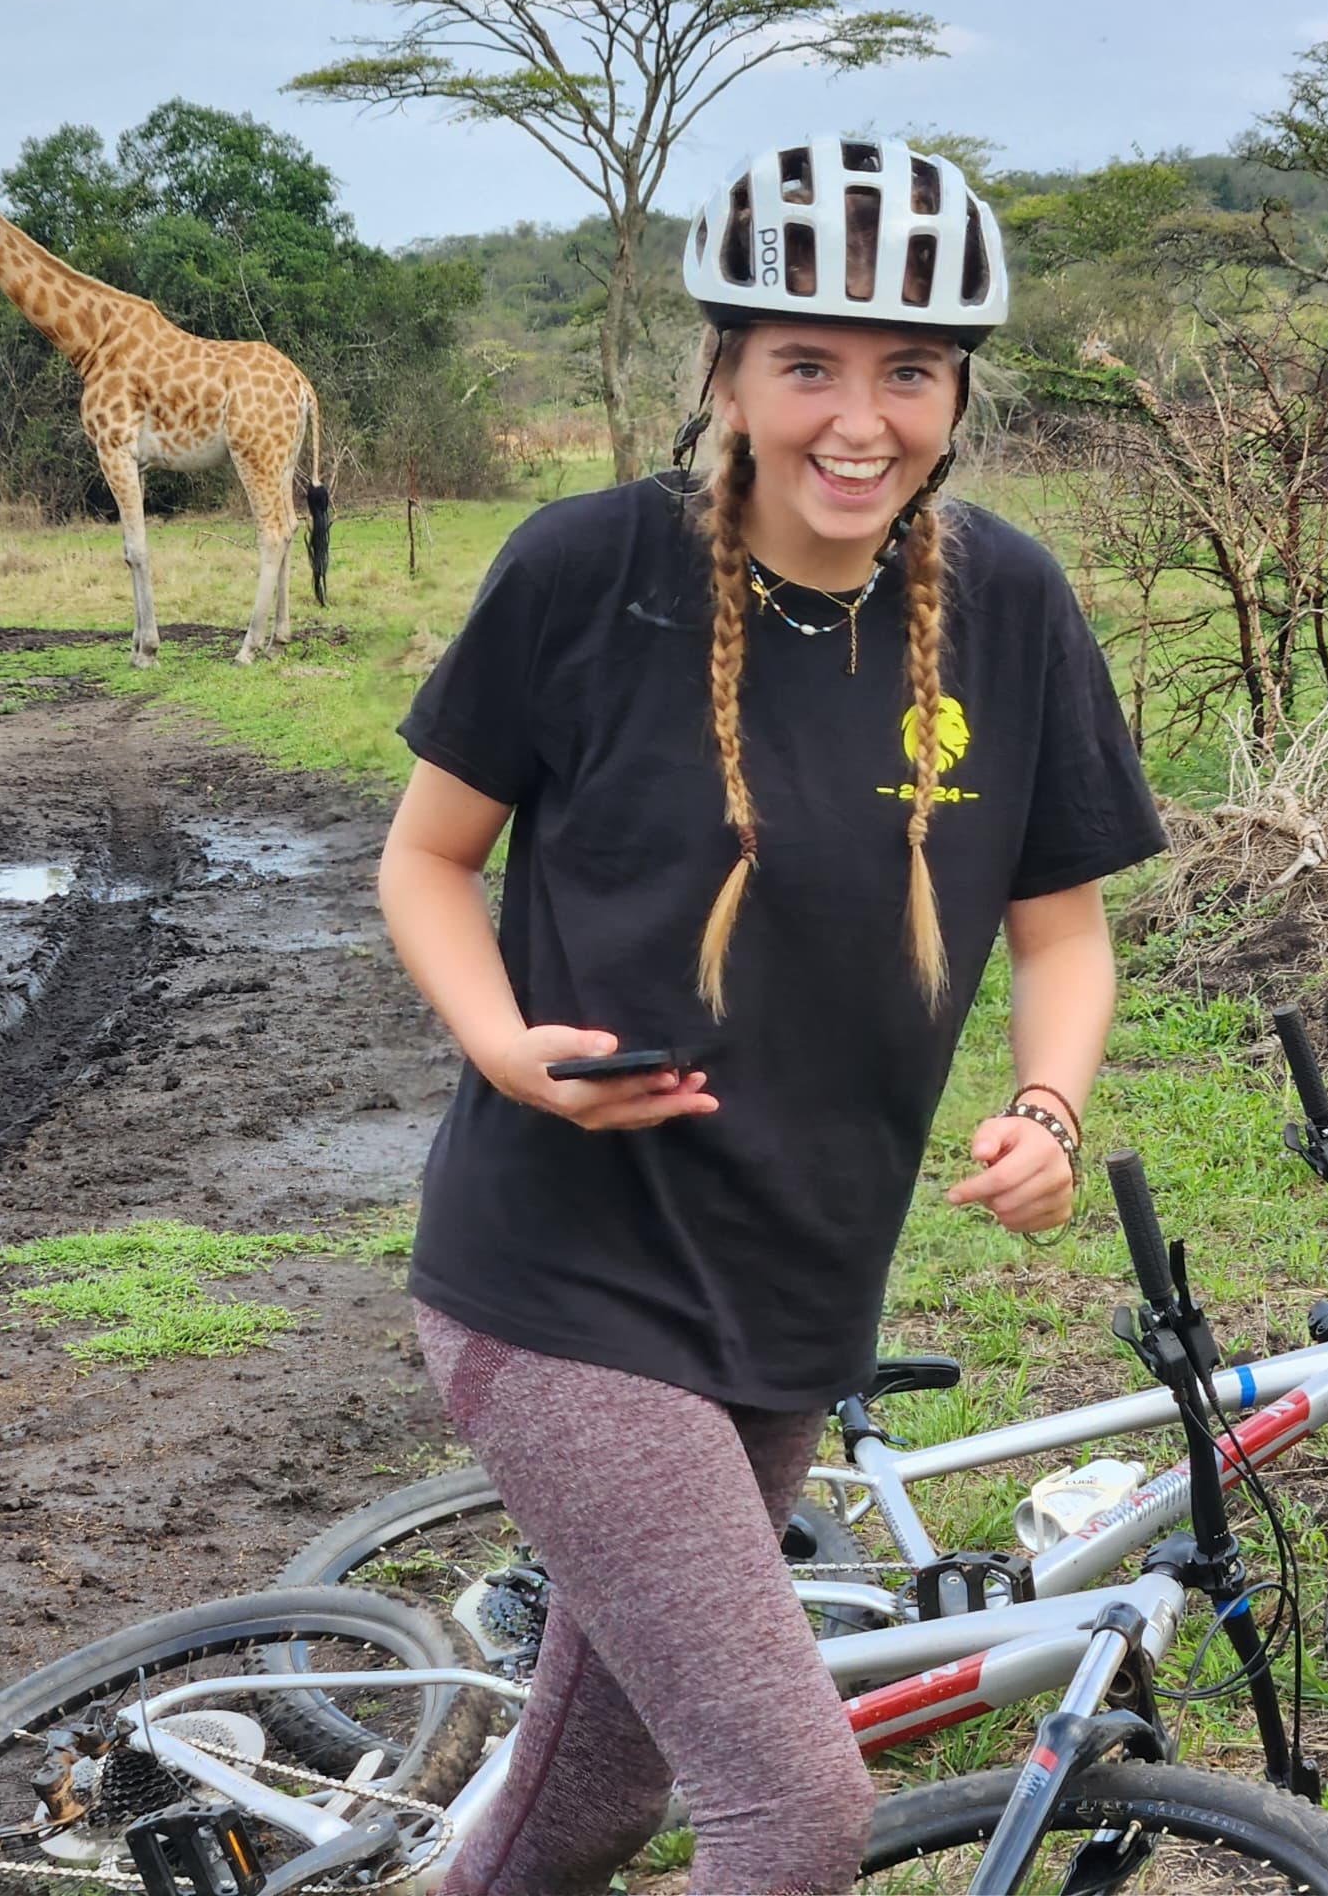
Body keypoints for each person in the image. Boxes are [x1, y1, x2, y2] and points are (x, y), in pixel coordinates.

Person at [374, 137, 1169, 1893]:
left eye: (909, 371)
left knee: (587, 1803)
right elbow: (427, 863)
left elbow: (1065, 934)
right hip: (561, 1282)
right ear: (725, 375)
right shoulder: (587, 573)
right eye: (805, 364)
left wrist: (1046, 1111)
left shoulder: (1013, 610)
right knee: (794, 1812)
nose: (858, 419)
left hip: (798, 1291)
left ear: (960, 391)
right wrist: (506, 1049)